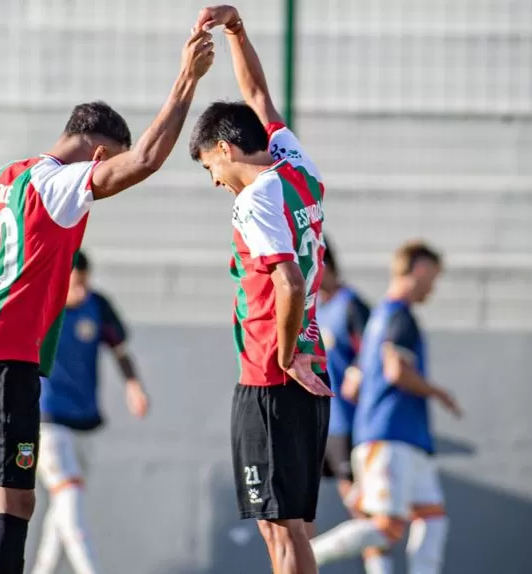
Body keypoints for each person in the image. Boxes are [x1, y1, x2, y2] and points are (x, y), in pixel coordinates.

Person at [0, 29, 215, 574]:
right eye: (104, 164)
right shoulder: (59, 186)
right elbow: (143, 159)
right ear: (95, 154)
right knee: (15, 499)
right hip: (3, 359)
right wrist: (187, 78)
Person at [189, 5, 334, 574]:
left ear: (224, 150)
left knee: (279, 532)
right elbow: (261, 99)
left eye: (208, 168)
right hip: (310, 365)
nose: (214, 181)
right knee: (296, 526)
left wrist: (283, 352)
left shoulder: (255, 200)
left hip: (272, 373)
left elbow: (288, 279)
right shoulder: (298, 166)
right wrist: (237, 30)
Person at [310, 240, 463, 574]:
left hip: (407, 438)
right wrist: (439, 393)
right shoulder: (398, 316)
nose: (433, 288)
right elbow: (396, 370)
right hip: (389, 436)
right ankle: (308, 555)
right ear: (420, 269)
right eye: (432, 278)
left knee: (432, 519)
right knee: (387, 526)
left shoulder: (376, 315)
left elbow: (360, 378)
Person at [31, 250, 149, 574]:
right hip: (48, 421)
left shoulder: (98, 306)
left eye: (84, 283)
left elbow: (119, 349)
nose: (80, 292)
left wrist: (133, 385)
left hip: (85, 419)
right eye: (74, 285)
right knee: (69, 500)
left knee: (63, 508)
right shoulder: (42, 305)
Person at [316, 242, 370, 511]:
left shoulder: (351, 305)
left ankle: (376, 554)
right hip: (320, 421)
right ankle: (305, 554)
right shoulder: (314, 308)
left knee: (357, 499)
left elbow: (372, 351)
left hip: (348, 419)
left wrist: (358, 373)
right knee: (299, 504)